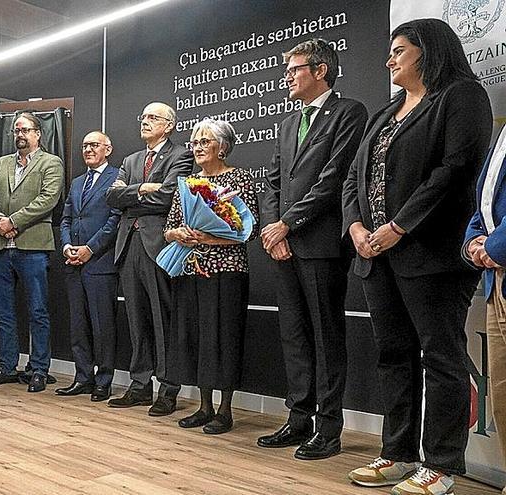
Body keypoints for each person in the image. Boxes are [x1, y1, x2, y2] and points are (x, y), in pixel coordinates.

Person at [343, 19, 492, 495]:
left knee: (442, 355)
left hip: (431, 254)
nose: (390, 59)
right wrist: (359, 228)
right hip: (375, 255)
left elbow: (455, 171)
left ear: (428, 52)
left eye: (400, 50)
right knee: (392, 355)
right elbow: (354, 179)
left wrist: (397, 227)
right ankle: (398, 453)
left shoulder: (461, 96)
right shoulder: (385, 112)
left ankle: (443, 465)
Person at [257, 39, 368, 460]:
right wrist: (273, 227)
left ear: (320, 70)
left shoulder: (349, 113)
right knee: (294, 336)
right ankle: (298, 418)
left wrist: (288, 223)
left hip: (320, 245)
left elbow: (335, 178)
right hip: (282, 244)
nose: (287, 76)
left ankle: (329, 428)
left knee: (325, 336)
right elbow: (272, 181)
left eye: (294, 69)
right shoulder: (287, 123)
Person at [163, 119, 258, 434]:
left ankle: (225, 410)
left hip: (226, 271)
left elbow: (248, 228)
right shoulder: (187, 182)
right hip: (190, 269)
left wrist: (208, 238)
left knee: (224, 337)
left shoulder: (239, 178)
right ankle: (203, 407)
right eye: (195, 141)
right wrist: (179, 233)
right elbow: (169, 227)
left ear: (223, 146)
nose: (198, 147)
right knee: (197, 337)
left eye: (205, 141)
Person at [106, 102, 193, 416]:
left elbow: (168, 197)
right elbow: (111, 197)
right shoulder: (131, 160)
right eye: (143, 116)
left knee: (162, 318)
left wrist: (131, 194)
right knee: (136, 318)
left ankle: (168, 388)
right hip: (129, 244)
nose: (145, 121)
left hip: (159, 245)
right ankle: (140, 385)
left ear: (169, 125)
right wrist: (142, 187)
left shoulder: (181, 155)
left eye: (153, 117)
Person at [0, 112, 64, 393]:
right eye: (16, 130)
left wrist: (13, 221)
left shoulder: (51, 163)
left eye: (25, 130)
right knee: (2, 312)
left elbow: (48, 199)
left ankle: (39, 369)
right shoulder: (0, 163)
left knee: (37, 310)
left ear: (38, 133)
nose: (20, 135)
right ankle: (6, 366)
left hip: (33, 247)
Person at [55, 131, 121, 402]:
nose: (88, 149)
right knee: (78, 324)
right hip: (74, 264)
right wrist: (67, 246)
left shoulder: (117, 178)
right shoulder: (77, 181)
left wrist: (89, 249)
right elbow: (67, 218)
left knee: (102, 326)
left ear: (108, 148)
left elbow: (114, 221)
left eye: (94, 145)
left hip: (100, 264)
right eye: (85, 145)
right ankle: (83, 377)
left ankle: (103, 380)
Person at [465, 125, 506, 495]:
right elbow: (484, 203)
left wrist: (494, 246)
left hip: (500, 260)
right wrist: (472, 243)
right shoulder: (501, 134)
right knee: (503, 389)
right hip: (496, 281)